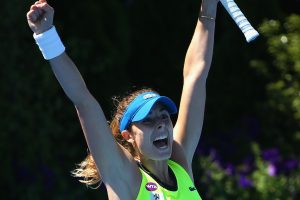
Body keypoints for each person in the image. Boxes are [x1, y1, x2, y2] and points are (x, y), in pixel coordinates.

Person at [27, 0, 219, 199]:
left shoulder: (179, 164)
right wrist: (46, 35)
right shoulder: (125, 176)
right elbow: (83, 101)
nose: (161, 124)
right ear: (128, 135)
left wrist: (209, 6)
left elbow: (195, 75)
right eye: (148, 120)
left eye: (164, 116)